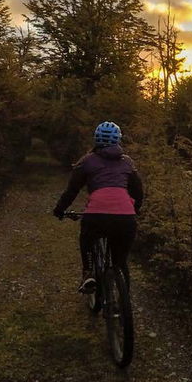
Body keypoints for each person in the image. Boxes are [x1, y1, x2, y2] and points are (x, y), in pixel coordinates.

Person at [52, 121, 143, 293]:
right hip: (126, 219)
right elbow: (138, 190)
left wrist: (60, 209)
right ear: (119, 140)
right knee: (120, 261)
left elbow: (72, 190)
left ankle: (88, 274)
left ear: (96, 140)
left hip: (96, 216)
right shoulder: (128, 162)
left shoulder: (87, 161)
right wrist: (136, 209)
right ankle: (124, 295)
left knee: (86, 238)